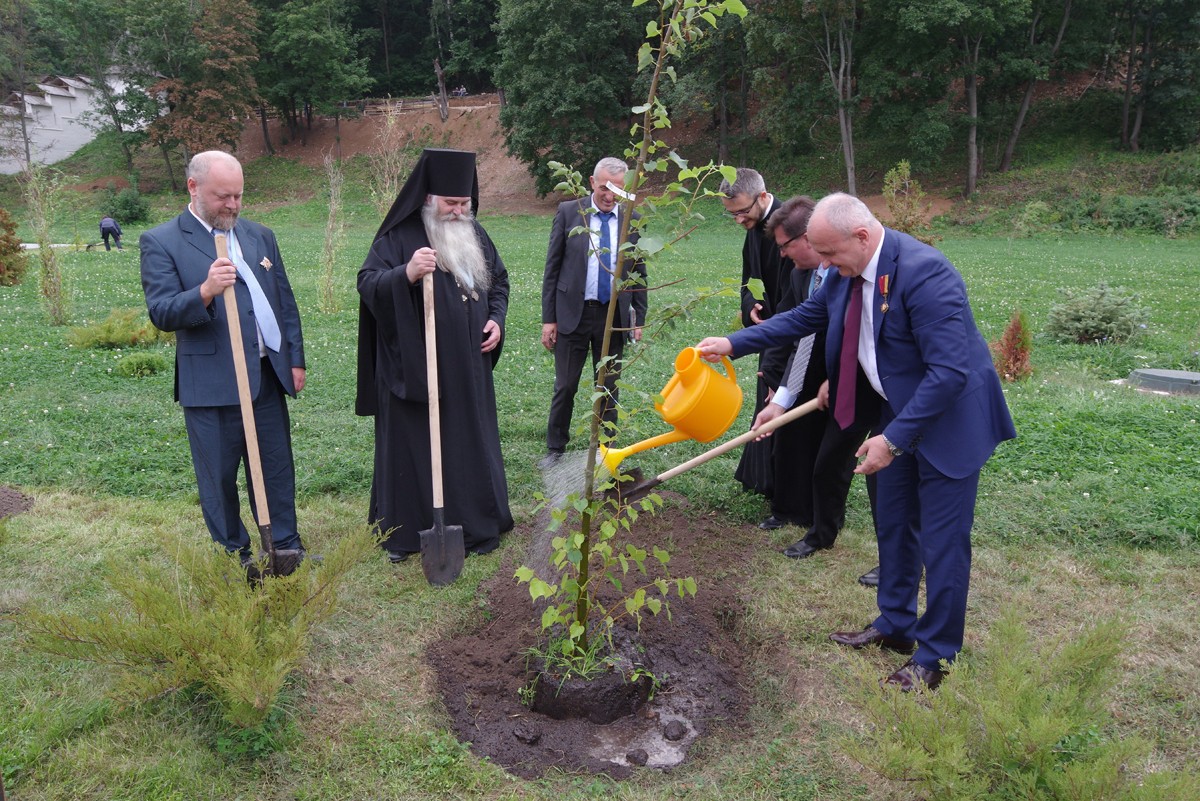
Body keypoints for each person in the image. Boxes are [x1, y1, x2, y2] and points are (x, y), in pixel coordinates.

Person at [697, 193, 1015, 691]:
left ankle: (936, 655)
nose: (823, 265)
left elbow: (950, 373)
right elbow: (805, 316)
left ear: (862, 236)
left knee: (942, 543)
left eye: (828, 254)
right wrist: (733, 343)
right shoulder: (845, 271)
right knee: (894, 523)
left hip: (948, 422)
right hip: (895, 414)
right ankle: (896, 624)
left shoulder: (926, 274)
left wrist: (894, 438)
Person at [140, 150, 308, 570]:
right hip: (211, 383)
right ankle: (237, 556)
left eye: (238, 195)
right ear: (193, 188)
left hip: (265, 375)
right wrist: (205, 291)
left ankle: (285, 547)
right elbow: (161, 312)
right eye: (222, 197)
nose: (232, 205)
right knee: (218, 477)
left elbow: (284, 301)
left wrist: (294, 358)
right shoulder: (162, 241)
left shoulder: (259, 235)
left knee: (275, 467)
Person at [356, 148, 512, 563]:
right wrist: (406, 273)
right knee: (414, 448)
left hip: (468, 368)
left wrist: (496, 318)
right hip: (415, 367)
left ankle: (475, 524)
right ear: (428, 198)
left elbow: (499, 281)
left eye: (464, 203)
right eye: (451, 203)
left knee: (467, 443)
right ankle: (406, 533)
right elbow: (368, 283)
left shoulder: (475, 234)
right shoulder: (398, 237)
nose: (459, 212)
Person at [755, 196, 871, 561]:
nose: (782, 254)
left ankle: (824, 526)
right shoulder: (800, 275)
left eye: (785, 246)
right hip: (808, 369)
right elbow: (792, 326)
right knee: (793, 442)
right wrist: (779, 389)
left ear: (808, 238)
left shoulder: (850, 274)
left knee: (832, 459)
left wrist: (841, 377)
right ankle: (793, 511)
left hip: (852, 377)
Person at [541, 157, 646, 463]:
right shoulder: (569, 213)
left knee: (609, 387)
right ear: (591, 182)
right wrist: (549, 319)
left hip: (612, 318)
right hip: (572, 314)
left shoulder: (633, 219)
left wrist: (638, 318)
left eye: (617, 189)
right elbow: (552, 268)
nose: (610, 196)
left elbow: (639, 272)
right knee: (565, 385)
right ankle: (555, 448)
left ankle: (606, 450)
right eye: (604, 188)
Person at [717, 167, 794, 526]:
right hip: (770, 330)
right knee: (767, 398)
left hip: (793, 331)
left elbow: (798, 293)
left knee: (782, 404)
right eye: (731, 214)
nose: (738, 220)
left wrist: (779, 325)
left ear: (763, 197)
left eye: (743, 211)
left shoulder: (790, 225)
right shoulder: (753, 227)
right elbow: (749, 278)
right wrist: (751, 305)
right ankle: (761, 479)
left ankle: (785, 493)